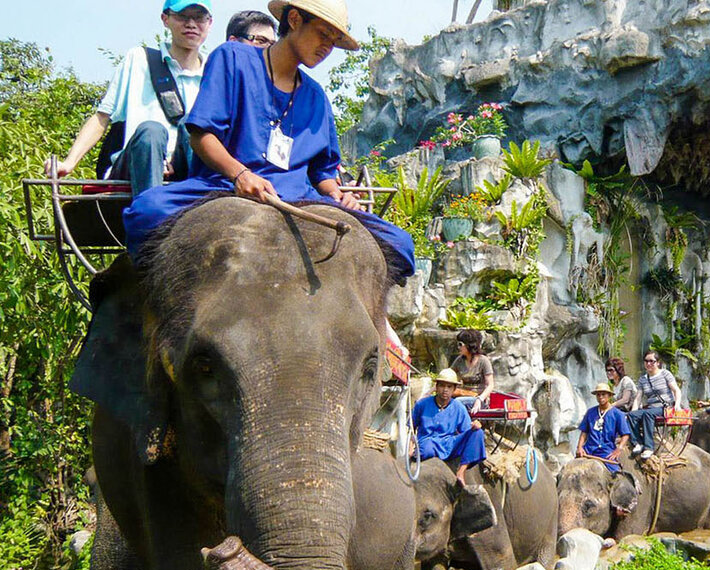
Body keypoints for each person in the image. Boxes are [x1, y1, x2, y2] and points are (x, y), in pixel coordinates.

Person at [121, 0, 415, 284]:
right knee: (146, 210)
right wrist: (240, 174)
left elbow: (322, 172)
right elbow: (202, 135)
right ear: (295, 19)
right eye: (323, 34)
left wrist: (338, 195)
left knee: (401, 244)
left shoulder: (316, 97)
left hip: (300, 198)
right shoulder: (232, 58)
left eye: (334, 41)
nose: (327, 47)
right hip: (223, 186)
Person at [46, 0, 212, 197]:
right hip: (136, 163)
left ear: (209, 23)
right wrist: (70, 162)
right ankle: (151, 209)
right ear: (165, 19)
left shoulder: (213, 71)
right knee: (151, 131)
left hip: (187, 166)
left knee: (193, 127)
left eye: (199, 17)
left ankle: (205, 199)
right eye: (183, 16)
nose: (191, 24)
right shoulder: (139, 59)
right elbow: (102, 117)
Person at [411, 369, 486, 486]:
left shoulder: (459, 407)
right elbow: (410, 427)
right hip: (428, 442)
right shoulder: (422, 404)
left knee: (478, 433)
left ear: (454, 389)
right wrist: (411, 446)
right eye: (442, 386)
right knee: (426, 449)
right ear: (436, 387)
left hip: (449, 444)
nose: (445, 390)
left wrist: (475, 426)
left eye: (449, 387)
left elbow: (466, 430)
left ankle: (461, 472)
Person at [627, 351, 683, 459]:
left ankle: (649, 448)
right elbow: (638, 397)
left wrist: (677, 404)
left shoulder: (665, 374)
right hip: (651, 408)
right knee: (631, 415)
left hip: (665, 407)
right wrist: (633, 410)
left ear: (658, 363)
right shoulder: (643, 379)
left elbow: (676, 390)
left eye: (651, 361)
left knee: (648, 414)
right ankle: (638, 443)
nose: (648, 364)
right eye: (646, 361)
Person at [575, 382, 632, 473]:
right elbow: (584, 432)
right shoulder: (590, 412)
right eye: (598, 395)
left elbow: (625, 434)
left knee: (616, 475)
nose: (600, 397)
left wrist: (618, 449)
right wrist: (579, 447)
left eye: (603, 394)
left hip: (606, 452)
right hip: (589, 450)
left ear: (609, 396)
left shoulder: (618, 414)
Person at [450, 329, 494, 414]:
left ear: (469, 345)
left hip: (478, 398)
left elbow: (490, 385)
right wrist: (430, 392)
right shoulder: (459, 360)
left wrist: (479, 399)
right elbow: (447, 376)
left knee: (457, 402)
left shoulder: (483, 361)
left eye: (460, 344)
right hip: (463, 395)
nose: (458, 347)